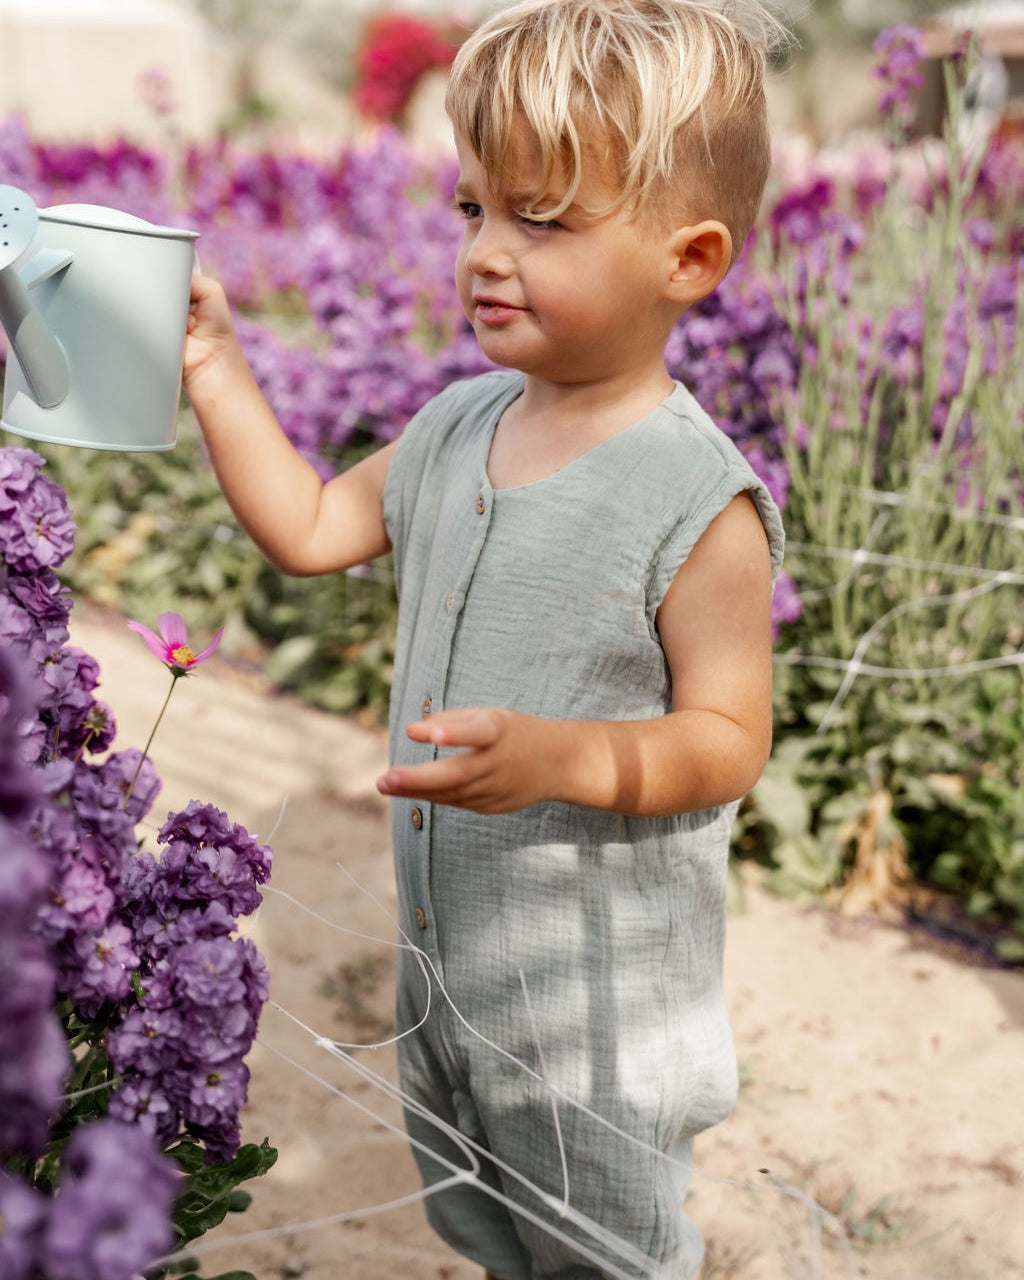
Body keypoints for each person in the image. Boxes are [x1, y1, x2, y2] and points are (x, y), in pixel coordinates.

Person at [182, 0, 787, 1275]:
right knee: (486, 1223)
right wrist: (219, 374)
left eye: (543, 219)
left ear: (689, 259)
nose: (486, 253)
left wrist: (567, 758)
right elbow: (306, 523)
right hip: (449, 966)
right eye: (473, 210)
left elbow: (729, 739)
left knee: (606, 1248)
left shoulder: (698, 499)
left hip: (592, 1006)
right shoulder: (460, 423)